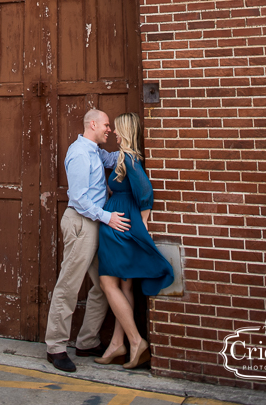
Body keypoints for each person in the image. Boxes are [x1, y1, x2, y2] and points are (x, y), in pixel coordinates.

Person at [45, 108, 131, 373]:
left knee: (105, 286)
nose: (109, 129)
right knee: (68, 285)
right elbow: (80, 198)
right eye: (106, 125)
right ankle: (55, 348)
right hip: (82, 222)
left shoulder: (95, 151)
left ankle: (86, 341)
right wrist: (107, 218)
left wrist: (132, 142)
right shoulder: (80, 153)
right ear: (92, 124)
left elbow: (115, 158)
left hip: (95, 225)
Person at [94, 112, 174, 369]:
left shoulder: (128, 157)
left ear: (126, 131)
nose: (114, 133)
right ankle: (118, 344)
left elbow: (145, 190)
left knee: (108, 283)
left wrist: (144, 222)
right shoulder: (125, 157)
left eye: (118, 129)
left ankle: (136, 341)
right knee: (125, 287)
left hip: (118, 228)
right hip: (123, 225)